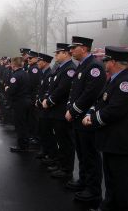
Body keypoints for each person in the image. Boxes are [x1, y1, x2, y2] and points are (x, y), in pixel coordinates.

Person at [82, 46, 128, 211]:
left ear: (113, 62)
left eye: (106, 60)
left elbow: (115, 110)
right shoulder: (113, 79)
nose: (104, 63)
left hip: (121, 143)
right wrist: (91, 112)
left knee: (123, 184)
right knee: (111, 181)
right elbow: (100, 101)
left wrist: (93, 120)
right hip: (111, 141)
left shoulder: (126, 82)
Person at [66, 36, 106, 202]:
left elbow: (90, 94)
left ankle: (93, 190)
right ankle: (83, 181)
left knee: (90, 155)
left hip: (86, 118)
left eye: (74, 47)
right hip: (77, 118)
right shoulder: (82, 65)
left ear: (83, 48)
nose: (71, 51)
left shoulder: (94, 66)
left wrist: (73, 110)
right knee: (81, 153)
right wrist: (70, 107)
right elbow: (74, 90)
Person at [42, 43, 77, 180]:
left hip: (61, 110)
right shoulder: (60, 68)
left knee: (65, 141)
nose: (55, 55)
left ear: (66, 53)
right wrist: (47, 98)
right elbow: (52, 86)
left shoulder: (69, 69)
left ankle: (66, 169)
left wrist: (49, 101)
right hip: (56, 111)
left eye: (58, 53)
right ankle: (61, 164)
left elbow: (62, 89)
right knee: (60, 140)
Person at [5, 57, 31, 152]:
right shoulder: (26, 74)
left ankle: (22, 146)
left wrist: (7, 89)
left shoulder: (15, 76)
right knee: (25, 124)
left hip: (19, 102)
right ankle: (26, 143)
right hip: (27, 101)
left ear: (13, 65)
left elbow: (12, 91)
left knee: (20, 125)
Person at [34, 53, 56, 162]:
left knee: (47, 132)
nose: (38, 63)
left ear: (46, 62)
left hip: (46, 107)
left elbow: (48, 91)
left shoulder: (50, 73)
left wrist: (40, 100)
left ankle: (50, 154)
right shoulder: (43, 73)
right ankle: (45, 151)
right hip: (41, 106)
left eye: (40, 61)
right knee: (43, 130)